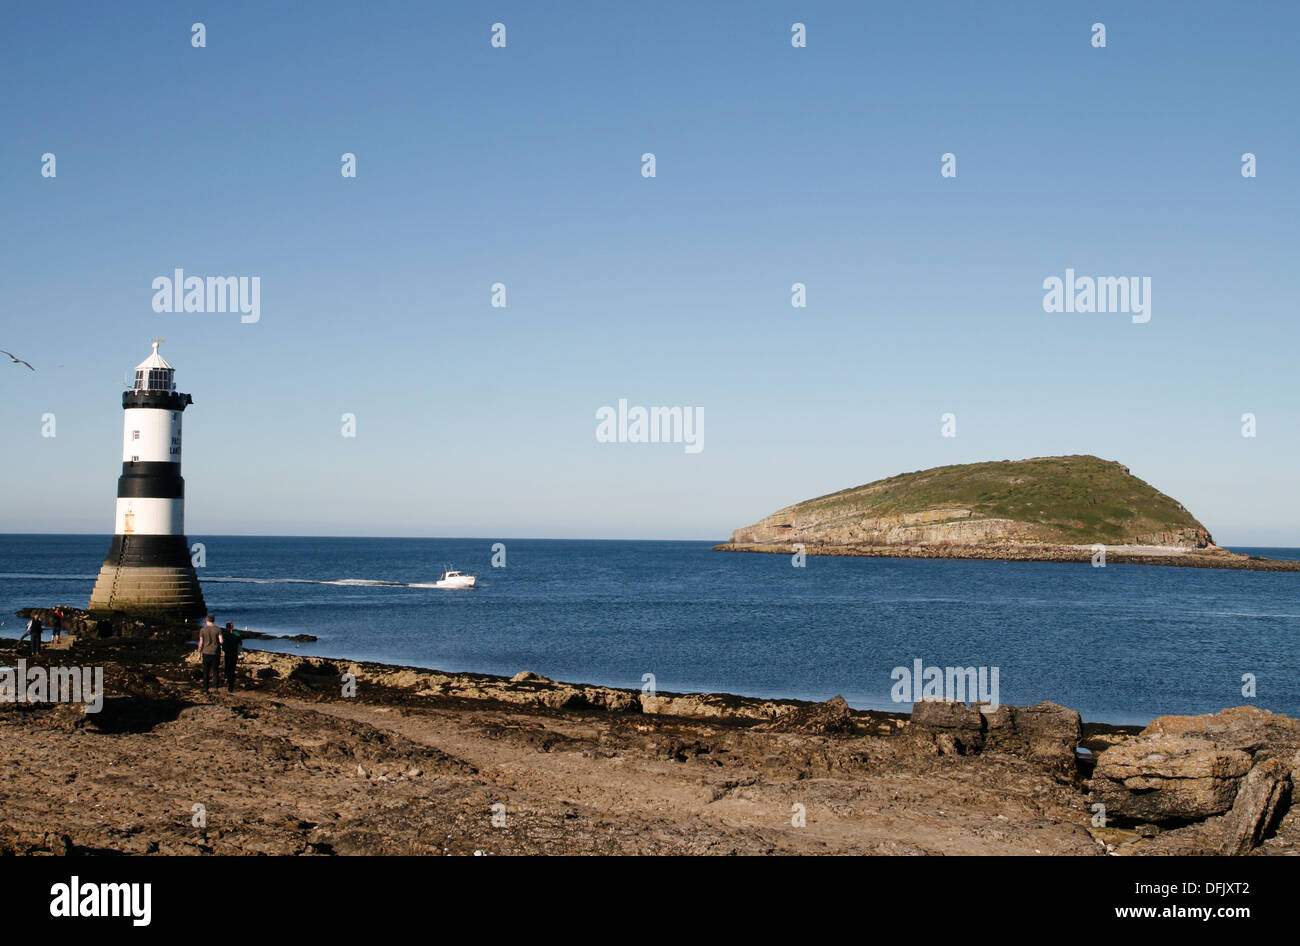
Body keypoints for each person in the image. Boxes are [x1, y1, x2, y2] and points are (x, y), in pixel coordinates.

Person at [198, 615, 221, 694]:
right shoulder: (218, 629)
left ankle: (206, 688)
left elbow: (201, 642)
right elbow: (221, 641)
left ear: (206, 620)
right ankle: (215, 688)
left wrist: (199, 653)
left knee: (206, 671)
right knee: (215, 671)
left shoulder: (202, 630)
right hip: (215, 652)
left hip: (206, 652)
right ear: (213, 620)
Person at [221, 621, 242, 692]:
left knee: (228, 669)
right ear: (231, 627)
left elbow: (223, 645)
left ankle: (229, 683)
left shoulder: (224, 634)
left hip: (228, 653)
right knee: (232, 669)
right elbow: (240, 642)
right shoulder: (236, 633)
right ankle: (231, 685)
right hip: (233, 653)